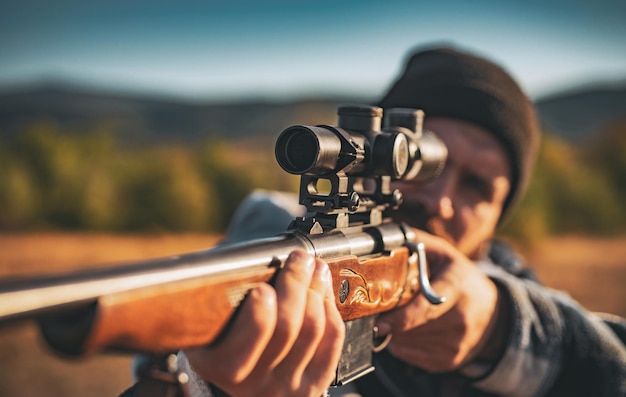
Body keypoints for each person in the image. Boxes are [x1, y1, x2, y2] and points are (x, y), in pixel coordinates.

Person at [123, 45, 626, 396]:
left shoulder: (515, 295)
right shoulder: (272, 236)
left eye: (477, 186)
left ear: (501, 213)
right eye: (433, 164)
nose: (440, 201)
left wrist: (496, 330)